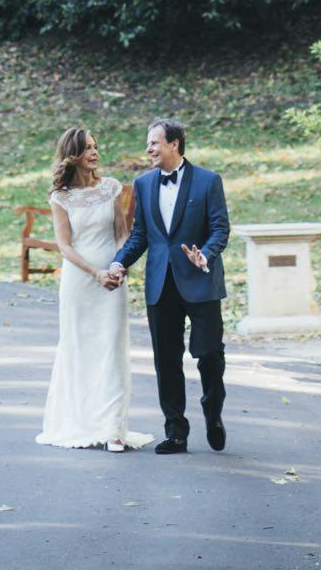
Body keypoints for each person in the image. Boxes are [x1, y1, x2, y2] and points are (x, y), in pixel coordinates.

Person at [104, 117, 230, 453]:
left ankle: (213, 412)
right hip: (160, 284)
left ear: (174, 144)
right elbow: (141, 235)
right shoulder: (143, 184)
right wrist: (119, 262)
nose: (148, 149)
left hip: (201, 282)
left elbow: (220, 228)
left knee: (210, 355)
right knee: (166, 359)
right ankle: (176, 432)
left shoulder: (208, 181)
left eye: (154, 143)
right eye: (148, 143)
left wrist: (205, 253)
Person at [36, 125, 140, 451]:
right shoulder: (61, 197)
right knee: (80, 347)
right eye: (87, 149)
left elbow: (122, 233)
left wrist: (119, 266)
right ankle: (80, 422)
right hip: (80, 280)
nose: (94, 153)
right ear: (73, 156)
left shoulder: (110, 188)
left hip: (113, 279)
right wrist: (95, 272)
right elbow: (64, 246)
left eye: (95, 146)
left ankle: (114, 428)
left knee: (112, 347)